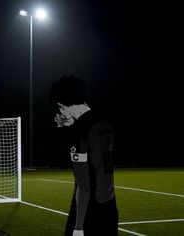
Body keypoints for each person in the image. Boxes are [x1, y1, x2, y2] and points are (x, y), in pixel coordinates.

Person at [50, 75, 118, 236]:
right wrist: (71, 125)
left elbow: (84, 185)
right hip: (110, 206)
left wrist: (78, 227)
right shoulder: (103, 123)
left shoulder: (78, 134)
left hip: (90, 211)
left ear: (62, 105)